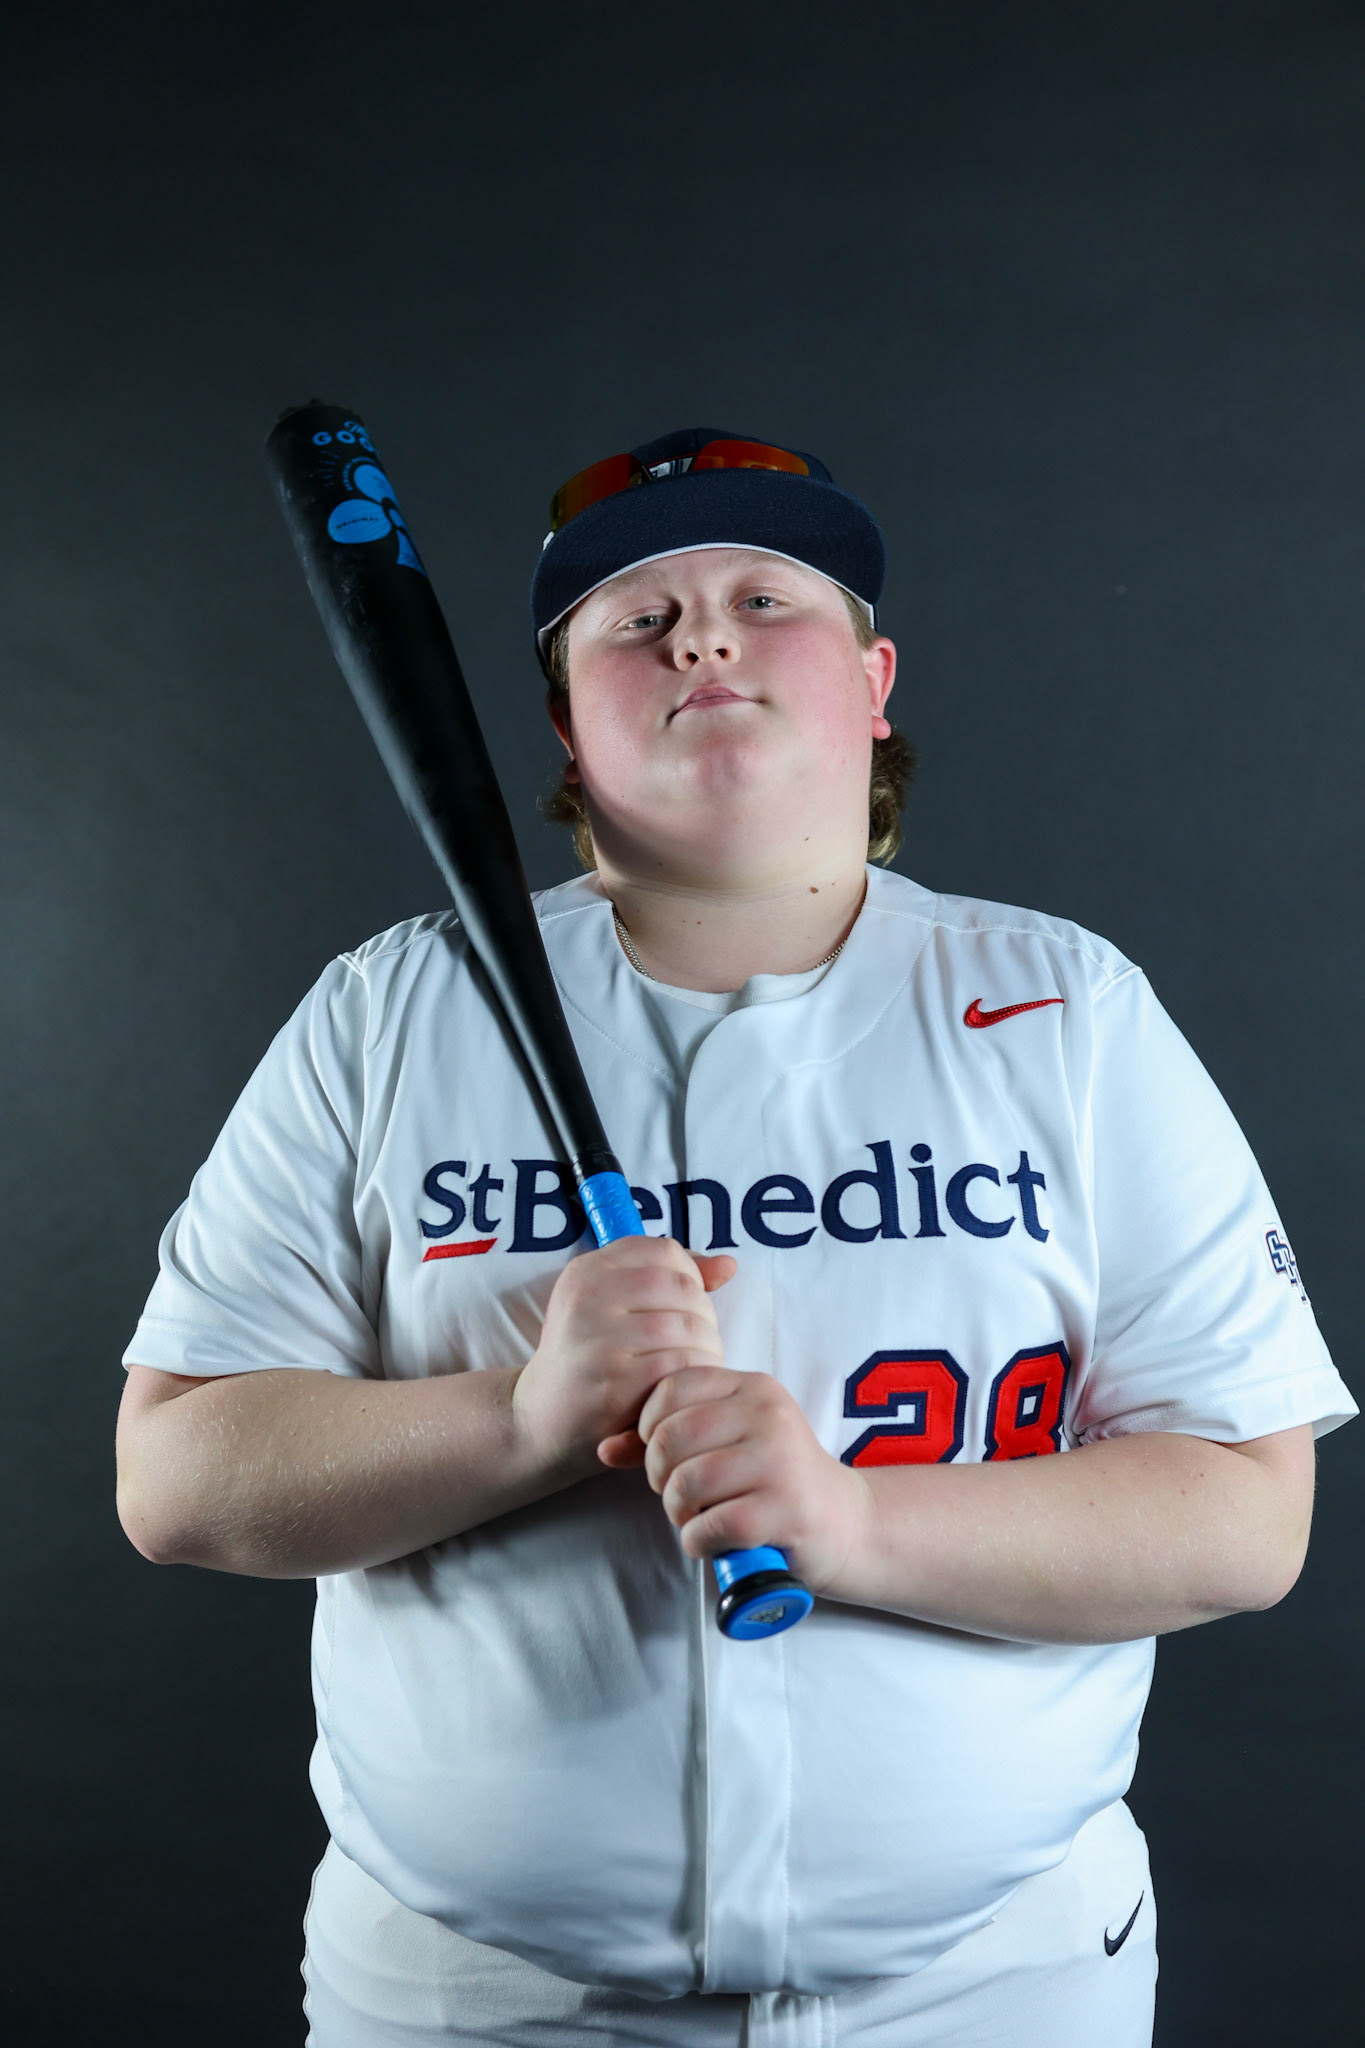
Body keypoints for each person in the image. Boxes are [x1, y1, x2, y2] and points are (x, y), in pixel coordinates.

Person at [115, 427, 1354, 2048]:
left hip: (994, 1991)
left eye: (767, 595)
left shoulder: (1069, 1011)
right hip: (483, 2007)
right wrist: (520, 1417)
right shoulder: (387, 1013)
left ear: (873, 681)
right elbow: (178, 1478)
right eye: (635, 618)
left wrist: (851, 1527)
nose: (703, 632)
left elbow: (1243, 1520)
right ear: (563, 723)